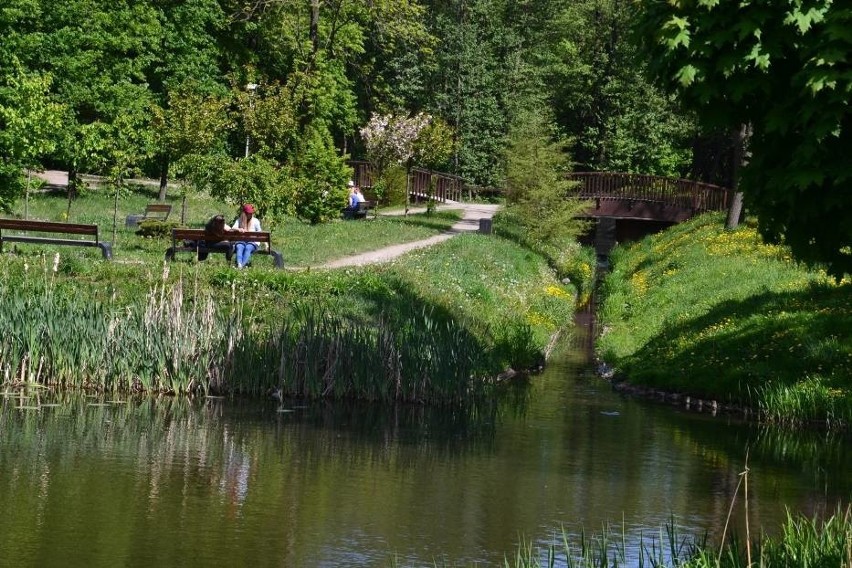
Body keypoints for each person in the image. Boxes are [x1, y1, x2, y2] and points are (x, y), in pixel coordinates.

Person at [231, 203, 262, 269]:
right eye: (248, 213)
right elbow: (233, 228)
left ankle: (241, 266)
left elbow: (260, 232)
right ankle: (239, 264)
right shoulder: (239, 220)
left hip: (253, 242)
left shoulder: (256, 221)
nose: (250, 214)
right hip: (241, 241)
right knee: (239, 247)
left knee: (248, 248)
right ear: (244, 213)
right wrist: (239, 229)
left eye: (251, 213)